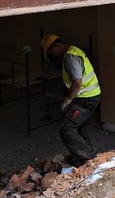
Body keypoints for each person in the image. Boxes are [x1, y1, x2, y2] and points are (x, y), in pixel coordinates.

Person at [41, 34, 100, 167]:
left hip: (86, 99)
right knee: (80, 126)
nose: (53, 55)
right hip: (92, 95)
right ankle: (90, 154)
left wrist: (67, 101)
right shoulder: (74, 50)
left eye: (51, 52)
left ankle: (84, 160)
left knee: (67, 128)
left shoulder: (70, 57)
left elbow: (77, 82)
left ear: (55, 48)